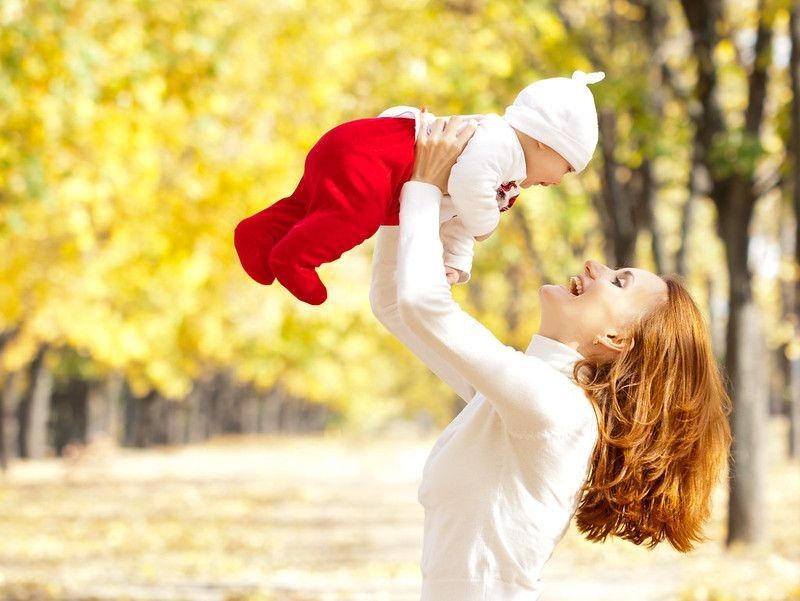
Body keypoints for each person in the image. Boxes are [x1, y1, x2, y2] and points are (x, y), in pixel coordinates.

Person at [369, 115, 732, 600]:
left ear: (615, 338)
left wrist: (425, 188)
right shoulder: (520, 397)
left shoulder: (554, 408)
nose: (594, 266)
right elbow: (395, 304)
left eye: (618, 281)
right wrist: (405, 198)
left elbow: (422, 304)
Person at [234, 71, 605, 305]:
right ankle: (295, 257)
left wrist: (455, 266)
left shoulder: (505, 173)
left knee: (307, 205)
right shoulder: (499, 141)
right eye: (566, 168)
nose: (557, 181)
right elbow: (468, 186)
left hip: (352, 148)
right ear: (544, 141)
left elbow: (459, 218)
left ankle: (259, 233)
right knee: (351, 217)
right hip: (373, 158)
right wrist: (487, 223)